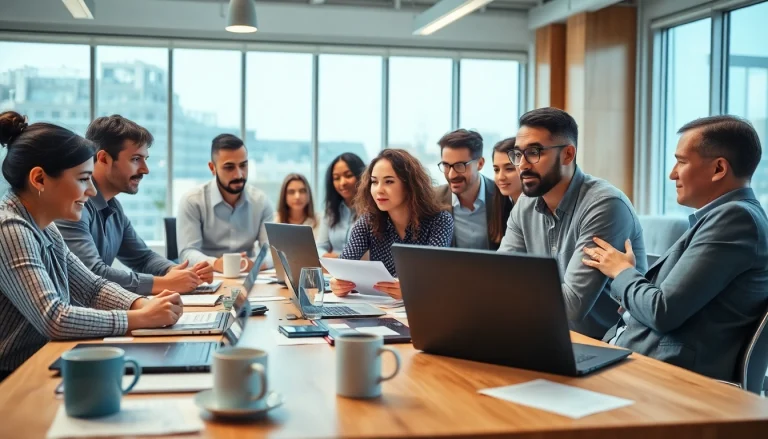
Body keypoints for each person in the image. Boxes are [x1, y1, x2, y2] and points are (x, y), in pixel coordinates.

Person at [0, 111, 182, 381]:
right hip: (15, 376)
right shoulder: (10, 228)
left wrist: (141, 304)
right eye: (83, 179)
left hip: (44, 361)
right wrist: (140, 318)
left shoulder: (46, 227)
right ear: (39, 179)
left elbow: (92, 288)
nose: (92, 191)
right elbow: (55, 318)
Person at [583, 115, 768, 381]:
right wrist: (630, 278)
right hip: (632, 359)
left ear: (719, 169)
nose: (672, 173)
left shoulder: (736, 219)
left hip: (665, 375)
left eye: (682, 161)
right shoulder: (723, 218)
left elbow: (662, 312)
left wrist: (621, 272)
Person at [498, 107, 646, 339]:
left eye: (535, 152)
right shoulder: (526, 203)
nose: (523, 165)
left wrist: (515, 288)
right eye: (518, 154)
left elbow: (572, 306)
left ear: (568, 154)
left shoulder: (605, 204)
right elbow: (498, 279)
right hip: (542, 336)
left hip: (605, 346)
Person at [56, 115, 213, 295]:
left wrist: (178, 272)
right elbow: (92, 273)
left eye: (145, 159)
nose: (145, 169)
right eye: (136, 159)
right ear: (104, 159)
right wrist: (163, 283)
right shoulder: (76, 205)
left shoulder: (114, 208)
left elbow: (142, 258)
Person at [330, 149, 454, 300]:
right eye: (374, 182)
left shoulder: (440, 221)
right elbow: (344, 266)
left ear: (409, 185)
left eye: (389, 181)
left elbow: (432, 277)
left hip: (425, 309)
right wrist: (337, 283)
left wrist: (412, 289)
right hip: (381, 310)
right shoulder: (368, 221)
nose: (379, 190)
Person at [177, 134, 274, 273]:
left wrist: (254, 264)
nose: (239, 175)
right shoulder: (192, 201)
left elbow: (271, 251)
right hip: (208, 277)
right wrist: (216, 264)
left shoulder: (261, 201)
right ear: (212, 168)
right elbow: (187, 253)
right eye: (229, 167)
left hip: (247, 276)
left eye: (243, 165)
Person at [435, 129, 506, 250]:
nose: (451, 175)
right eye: (446, 165)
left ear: (480, 164)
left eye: (460, 166)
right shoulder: (434, 199)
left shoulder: (503, 196)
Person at [316, 153, 366, 258]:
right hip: (333, 271)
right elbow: (320, 247)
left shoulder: (371, 211)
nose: (342, 183)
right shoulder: (330, 210)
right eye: (336, 178)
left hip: (359, 271)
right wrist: (335, 259)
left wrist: (338, 259)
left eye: (348, 176)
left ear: (361, 176)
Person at [490, 137, 520, 246]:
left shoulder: (540, 208)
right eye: (496, 170)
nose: (500, 177)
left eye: (509, 169)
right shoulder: (501, 205)